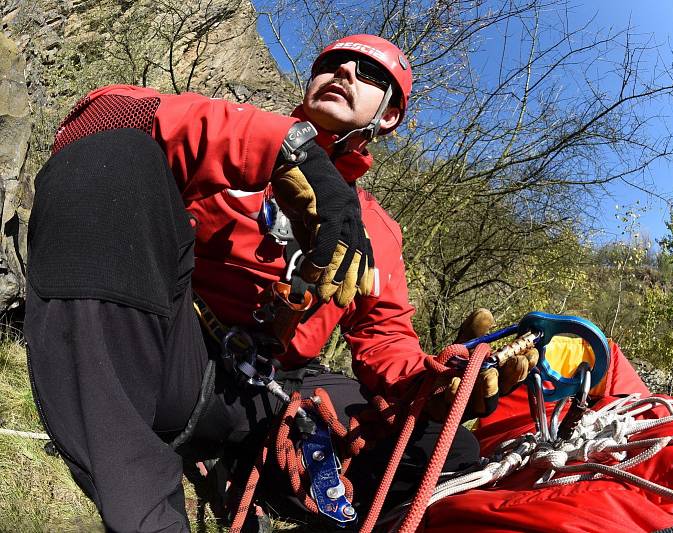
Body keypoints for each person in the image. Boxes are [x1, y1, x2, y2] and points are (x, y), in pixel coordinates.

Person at [24, 34, 534, 531]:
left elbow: (385, 340)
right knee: (111, 158)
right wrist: (287, 149)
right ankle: (147, 515)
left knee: (441, 447)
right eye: (334, 64)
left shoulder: (378, 230)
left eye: (371, 73)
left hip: (276, 392)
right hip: (175, 360)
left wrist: (435, 383)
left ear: (390, 115)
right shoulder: (234, 137)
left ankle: (297, 494)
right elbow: (98, 118)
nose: (346, 72)